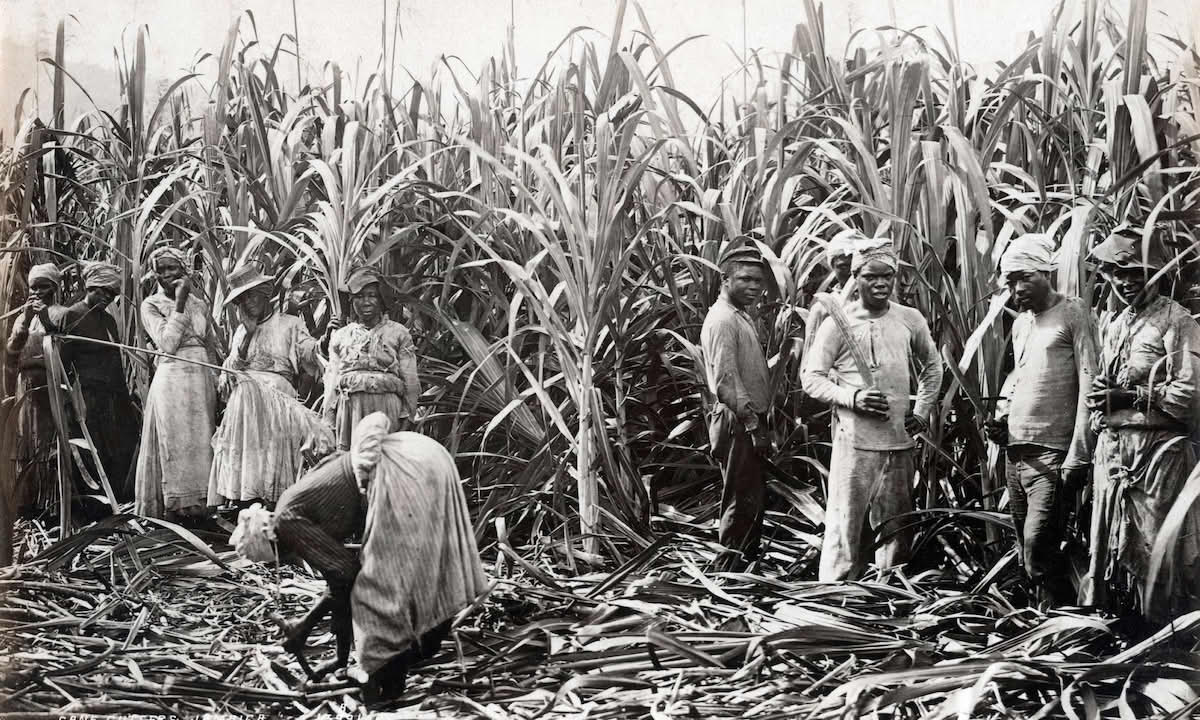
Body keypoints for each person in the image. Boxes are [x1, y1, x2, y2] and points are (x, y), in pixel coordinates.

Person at [230, 412, 487, 705]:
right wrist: (334, 653)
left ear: (272, 546)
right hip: (420, 452)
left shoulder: (287, 522)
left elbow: (345, 575)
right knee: (429, 559)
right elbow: (338, 584)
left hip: (397, 473)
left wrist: (304, 626)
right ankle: (422, 645)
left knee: (378, 584)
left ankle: (385, 682)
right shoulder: (292, 499)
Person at [802, 237, 942, 581]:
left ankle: (888, 593)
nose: (880, 284)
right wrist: (853, 398)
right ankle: (834, 597)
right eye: (870, 277)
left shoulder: (910, 319)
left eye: (887, 277)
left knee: (896, 524)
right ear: (856, 277)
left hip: (899, 442)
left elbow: (933, 367)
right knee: (844, 524)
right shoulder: (839, 322)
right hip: (856, 444)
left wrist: (921, 411)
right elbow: (811, 378)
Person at [1083, 225, 1200, 623]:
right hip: (1114, 452)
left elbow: (1188, 395)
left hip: (1156, 457)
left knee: (1155, 545)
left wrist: (1130, 397)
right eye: (1119, 273)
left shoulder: (1176, 320)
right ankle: (1125, 629)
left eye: (1138, 272)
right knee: (1116, 543)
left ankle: (1164, 633)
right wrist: (1103, 395)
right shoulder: (1115, 322)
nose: (1127, 281)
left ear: (1160, 273)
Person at [985, 233, 1097, 605]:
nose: (1016, 289)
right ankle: (1042, 624)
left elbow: (1089, 384)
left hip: (1052, 453)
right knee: (1025, 546)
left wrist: (1079, 454)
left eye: (1023, 278)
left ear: (1046, 272)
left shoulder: (1073, 313)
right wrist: (1002, 418)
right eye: (1010, 281)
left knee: (1038, 542)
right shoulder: (1022, 325)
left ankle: (1062, 623)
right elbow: (1018, 378)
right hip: (1016, 452)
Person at [208, 265, 333, 507]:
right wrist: (247, 335)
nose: (249, 302)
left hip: (277, 399)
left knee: (274, 453)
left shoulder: (290, 324)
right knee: (250, 454)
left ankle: (275, 504)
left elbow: (308, 353)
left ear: (265, 293)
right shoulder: (241, 332)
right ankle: (247, 503)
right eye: (243, 298)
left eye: (252, 294)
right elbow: (230, 374)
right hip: (245, 403)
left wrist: (325, 341)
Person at [700, 239, 771, 570]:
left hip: (745, 420)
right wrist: (754, 425)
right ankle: (730, 573)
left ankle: (745, 567)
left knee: (749, 496)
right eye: (745, 279)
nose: (754, 286)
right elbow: (727, 383)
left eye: (758, 280)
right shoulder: (723, 320)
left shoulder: (739, 316)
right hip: (738, 421)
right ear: (725, 280)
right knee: (739, 498)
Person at [134, 247, 218, 520]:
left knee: (201, 440)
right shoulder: (151, 305)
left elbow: (210, 344)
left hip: (200, 377)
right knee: (175, 440)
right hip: (173, 378)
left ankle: (202, 507)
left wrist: (217, 378)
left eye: (173, 268)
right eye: (162, 270)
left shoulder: (201, 304)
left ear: (184, 270)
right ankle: (176, 509)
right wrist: (179, 303)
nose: (168, 275)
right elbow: (167, 344)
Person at [50, 262, 139, 502]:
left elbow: (115, 362)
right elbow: (61, 365)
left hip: (112, 397)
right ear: (90, 287)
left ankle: (117, 504)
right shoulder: (72, 315)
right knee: (91, 452)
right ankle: (93, 508)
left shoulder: (109, 321)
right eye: (102, 291)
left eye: (112, 294)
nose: (107, 297)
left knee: (118, 449)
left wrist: (125, 399)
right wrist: (70, 403)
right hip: (87, 399)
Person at [324, 267, 421, 449]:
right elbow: (331, 380)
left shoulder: (398, 333)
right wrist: (328, 418)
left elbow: (410, 379)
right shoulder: (341, 336)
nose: (365, 302)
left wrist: (408, 415)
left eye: (371, 295)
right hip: (351, 410)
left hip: (386, 407)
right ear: (352, 301)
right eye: (359, 297)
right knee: (352, 465)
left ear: (381, 300)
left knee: (385, 464)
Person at [5, 263, 64, 514]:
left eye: (44, 287)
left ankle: (49, 505)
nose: (38, 292)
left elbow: (63, 344)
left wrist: (45, 319)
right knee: (26, 439)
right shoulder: (23, 316)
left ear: (55, 288)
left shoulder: (62, 313)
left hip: (49, 382)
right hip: (26, 384)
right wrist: (27, 320)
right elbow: (11, 351)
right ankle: (27, 501)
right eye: (34, 287)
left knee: (46, 439)